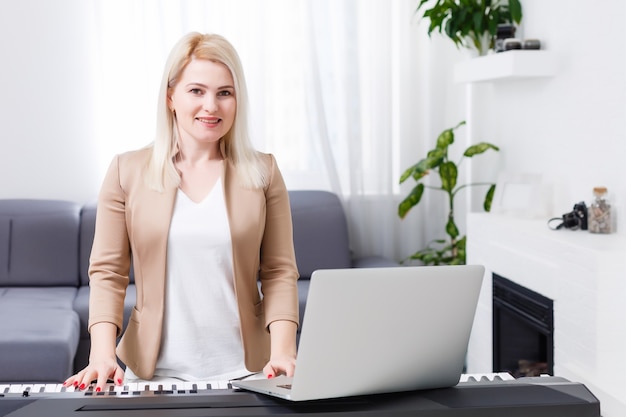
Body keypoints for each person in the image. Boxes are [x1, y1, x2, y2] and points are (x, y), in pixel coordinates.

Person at [64, 32, 299, 392]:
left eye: (225, 93)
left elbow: (280, 271)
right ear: (171, 96)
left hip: (249, 373)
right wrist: (101, 354)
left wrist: (284, 352)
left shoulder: (264, 171)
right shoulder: (126, 171)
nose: (212, 106)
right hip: (153, 374)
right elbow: (108, 272)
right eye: (197, 91)